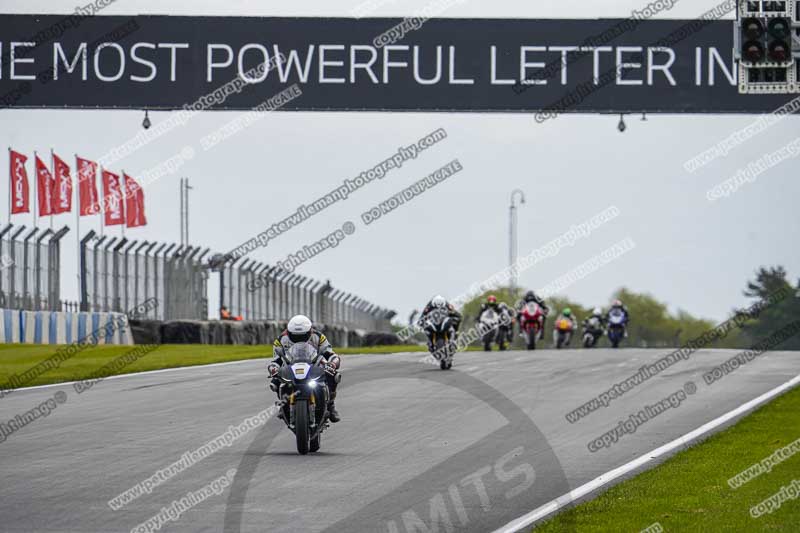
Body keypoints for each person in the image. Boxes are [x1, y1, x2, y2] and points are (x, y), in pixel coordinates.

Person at [267, 315, 342, 423]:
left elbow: (330, 354)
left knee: (333, 375)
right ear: (289, 332)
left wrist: (333, 364)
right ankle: (283, 403)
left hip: (314, 364)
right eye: (295, 336)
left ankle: (330, 405)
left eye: (302, 336)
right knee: (276, 379)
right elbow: (276, 360)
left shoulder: (319, 337)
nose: (299, 339)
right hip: (290, 365)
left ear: (309, 332)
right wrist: (273, 368)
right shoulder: (281, 340)